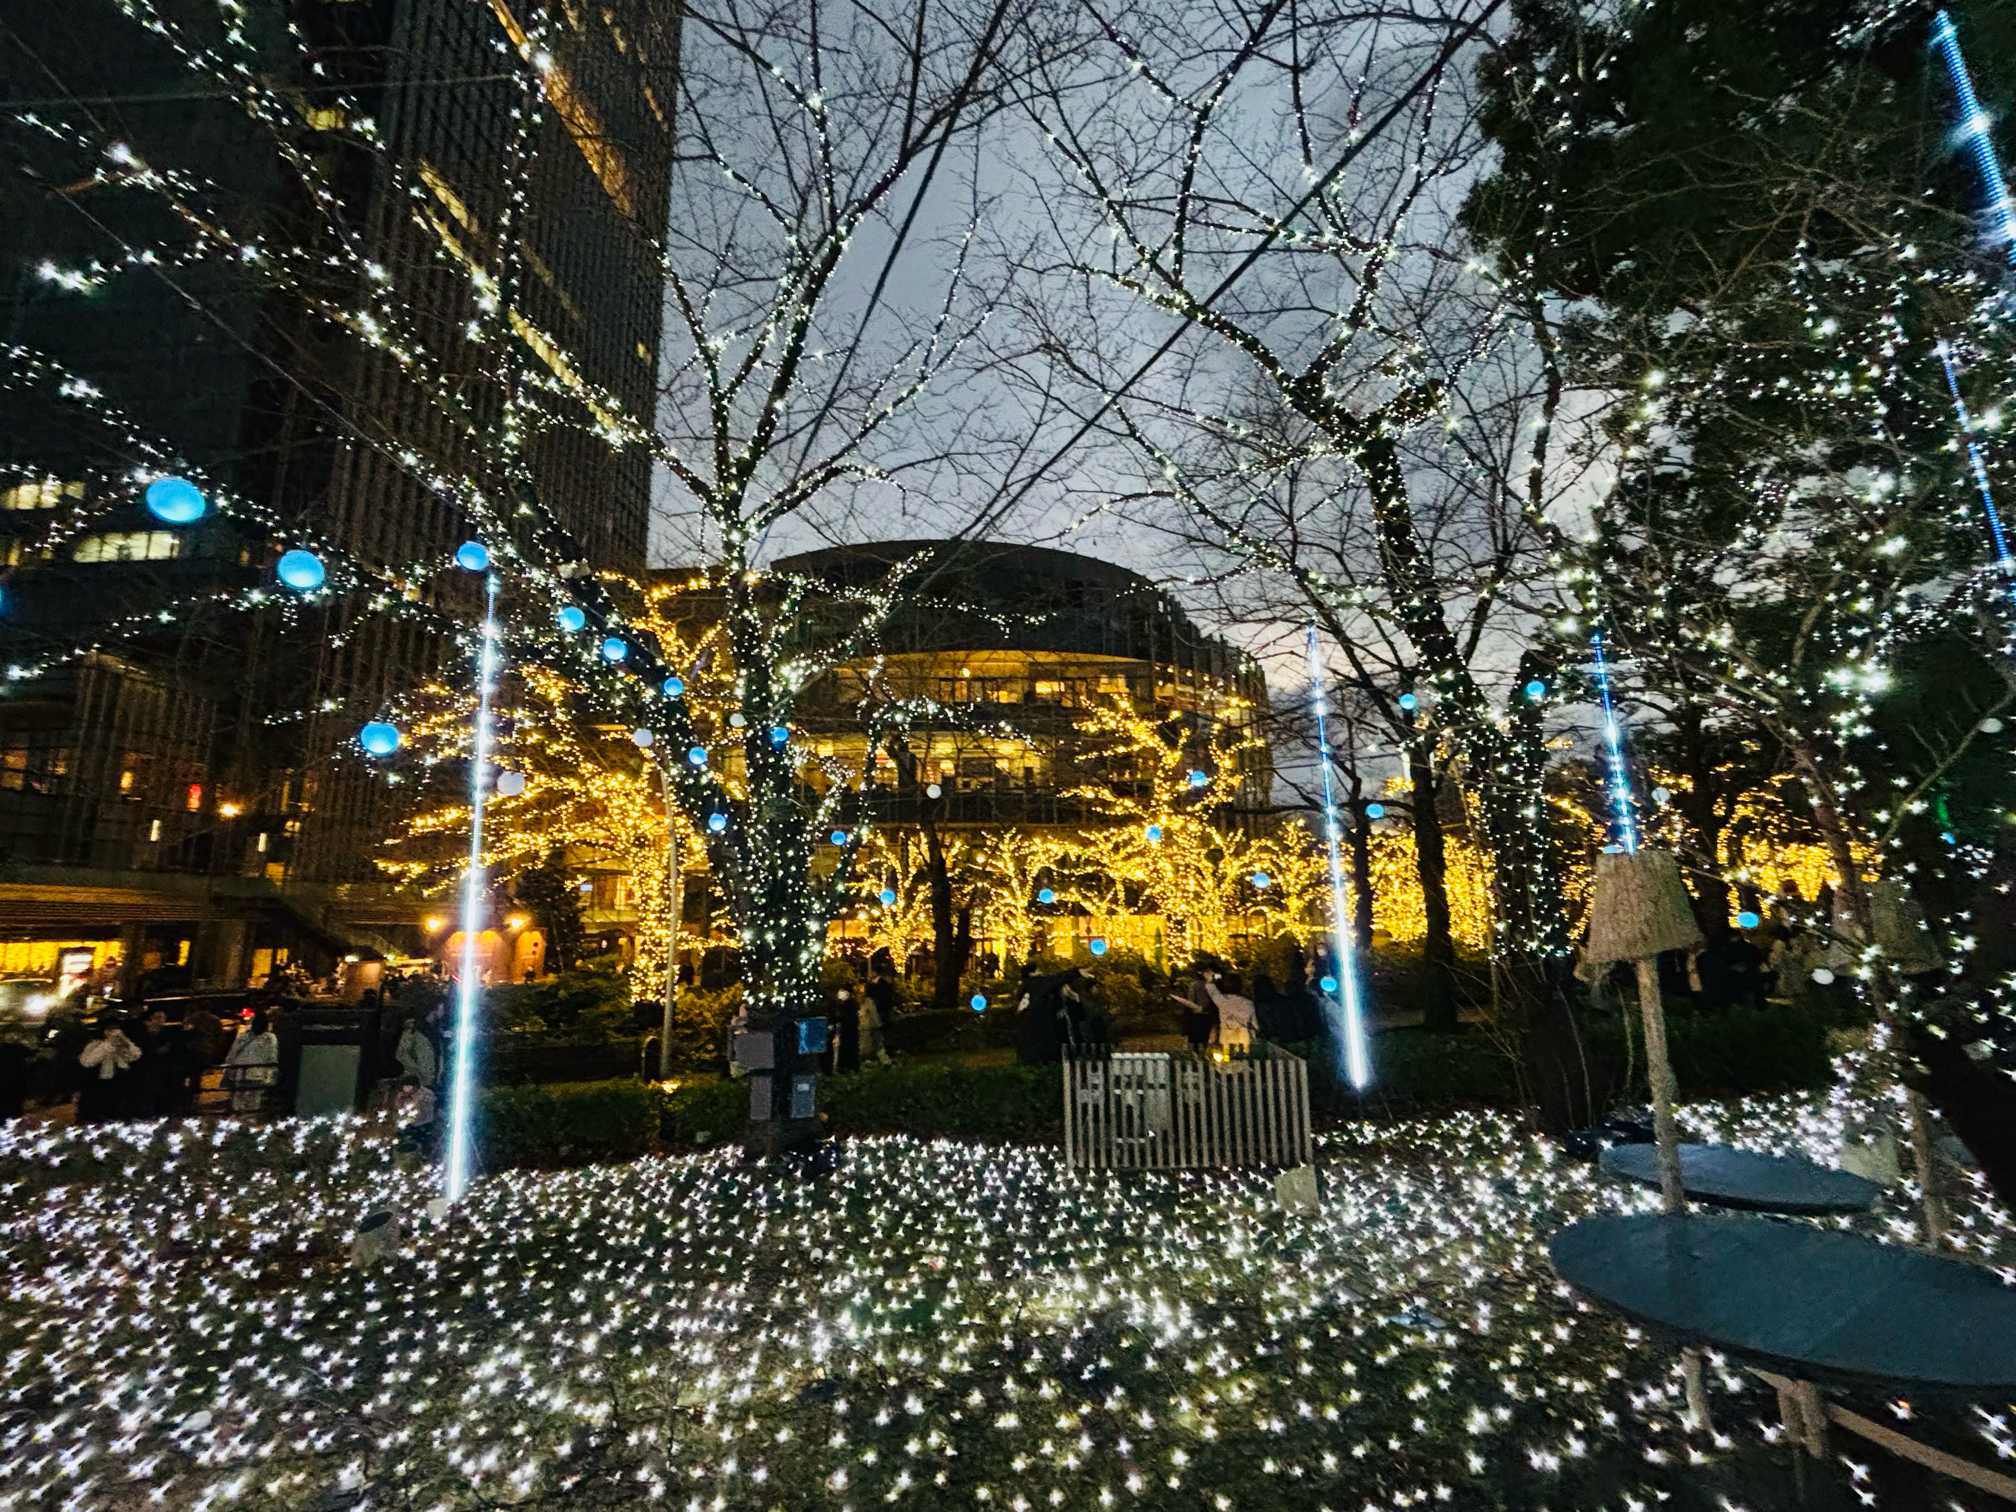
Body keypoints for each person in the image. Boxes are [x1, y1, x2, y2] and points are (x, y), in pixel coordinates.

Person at [77, 1019, 143, 1123]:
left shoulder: (122, 1043)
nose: (115, 1033)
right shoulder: (95, 1045)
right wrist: (109, 1044)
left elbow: (135, 1055)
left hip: (120, 1082)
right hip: (99, 1084)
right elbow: (88, 1062)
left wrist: (125, 1041)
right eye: (110, 1030)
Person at [224, 1010, 279, 1114]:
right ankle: (249, 1119)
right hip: (257, 1072)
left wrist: (229, 1070)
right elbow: (272, 1056)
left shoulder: (243, 1037)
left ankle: (238, 1117)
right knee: (253, 1099)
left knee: (239, 1097)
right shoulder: (270, 1038)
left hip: (240, 1071)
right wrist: (270, 1075)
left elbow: (232, 1054)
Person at [1206, 973, 1257, 1055]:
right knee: (1243, 1058)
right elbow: (1254, 1023)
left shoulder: (1222, 1000)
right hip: (1243, 1037)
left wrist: (1215, 976)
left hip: (1226, 1036)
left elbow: (1211, 989)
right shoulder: (1248, 1003)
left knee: (1226, 1058)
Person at [1175, 967, 1219, 1054]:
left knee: (1196, 1035)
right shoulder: (1209, 985)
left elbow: (1191, 998)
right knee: (1205, 1034)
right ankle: (1204, 1051)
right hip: (1207, 1013)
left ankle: (1197, 1052)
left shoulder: (1194, 985)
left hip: (1197, 1013)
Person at [862, 963, 895, 1066]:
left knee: (880, 1034)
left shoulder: (879, 984)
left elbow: (879, 997)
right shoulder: (880, 984)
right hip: (879, 1011)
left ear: (875, 972)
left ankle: (884, 1055)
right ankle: (882, 1055)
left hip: (880, 1011)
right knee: (879, 1034)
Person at [395, 1014, 439, 1088]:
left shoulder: (419, 1037)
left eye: (412, 1023)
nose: (411, 1025)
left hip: (422, 1080)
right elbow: (401, 1055)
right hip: (415, 1080)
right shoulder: (408, 1036)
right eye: (409, 1023)